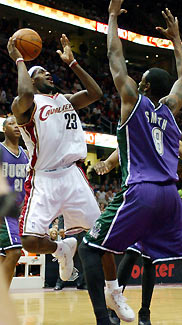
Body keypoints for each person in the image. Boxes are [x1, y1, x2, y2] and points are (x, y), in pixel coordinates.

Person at [79, 2, 182, 325]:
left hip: (142, 190)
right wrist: (176, 39)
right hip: (170, 197)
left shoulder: (132, 100)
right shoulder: (169, 112)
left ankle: (104, 318)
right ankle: (136, 308)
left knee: (90, 248)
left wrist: (113, 17)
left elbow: (115, 58)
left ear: (144, 85)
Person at [7, 32, 132, 319]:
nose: (48, 73)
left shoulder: (66, 100)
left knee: (101, 239)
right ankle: (61, 249)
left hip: (73, 176)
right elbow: (25, 93)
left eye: (48, 71)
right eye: (42, 73)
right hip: (44, 178)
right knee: (28, 240)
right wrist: (20, 60)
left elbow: (97, 94)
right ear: (32, 79)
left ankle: (114, 292)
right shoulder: (25, 107)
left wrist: (73, 63)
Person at [94, 119, 182, 325]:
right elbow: (122, 147)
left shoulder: (159, 129)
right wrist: (108, 162)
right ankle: (120, 310)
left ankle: (140, 312)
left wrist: (108, 163)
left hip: (152, 196)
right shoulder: (148, 126)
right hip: (148, 195)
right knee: (136, 254)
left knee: (147, 258)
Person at [0, 116, 29, 287]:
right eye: (11, 123)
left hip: (18, 210)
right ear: (4, 129)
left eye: (17, 123)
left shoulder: (25, 154)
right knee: (15, 251)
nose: (16, 126)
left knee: (4, 257)